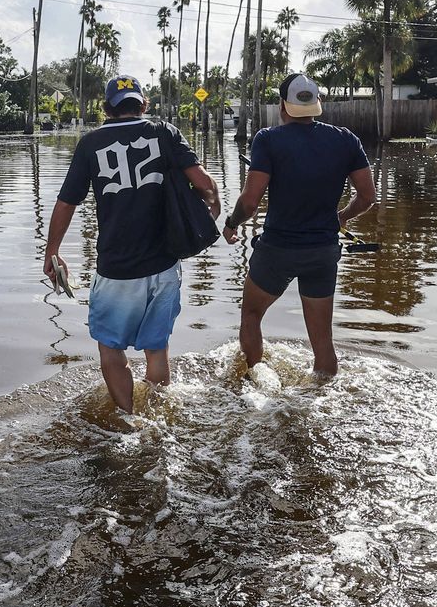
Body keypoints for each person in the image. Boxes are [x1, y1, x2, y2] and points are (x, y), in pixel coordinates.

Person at [45, 74, 221, 413]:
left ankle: (129, 421)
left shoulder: (90, 143)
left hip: (117, 268)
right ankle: (157, 417)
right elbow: (204, 183)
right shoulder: (163, 132)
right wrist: (211, 207)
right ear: (143, 104)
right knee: (157, 349)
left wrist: (52, 251)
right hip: (164, 264)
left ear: (107, 108)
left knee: (111, 350)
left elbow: (67, 203)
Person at [222, 73, 378, 378]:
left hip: (278, 250)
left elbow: (250, 202)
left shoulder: (268, 140)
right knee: (323, 343)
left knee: (252, 315)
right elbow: (368, 196)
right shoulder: (346, 140)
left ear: (283, 105)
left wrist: (231, 223)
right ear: (317, 103)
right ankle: (323, 394)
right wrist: (341, 217)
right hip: (322, 252)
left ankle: (257, 382)